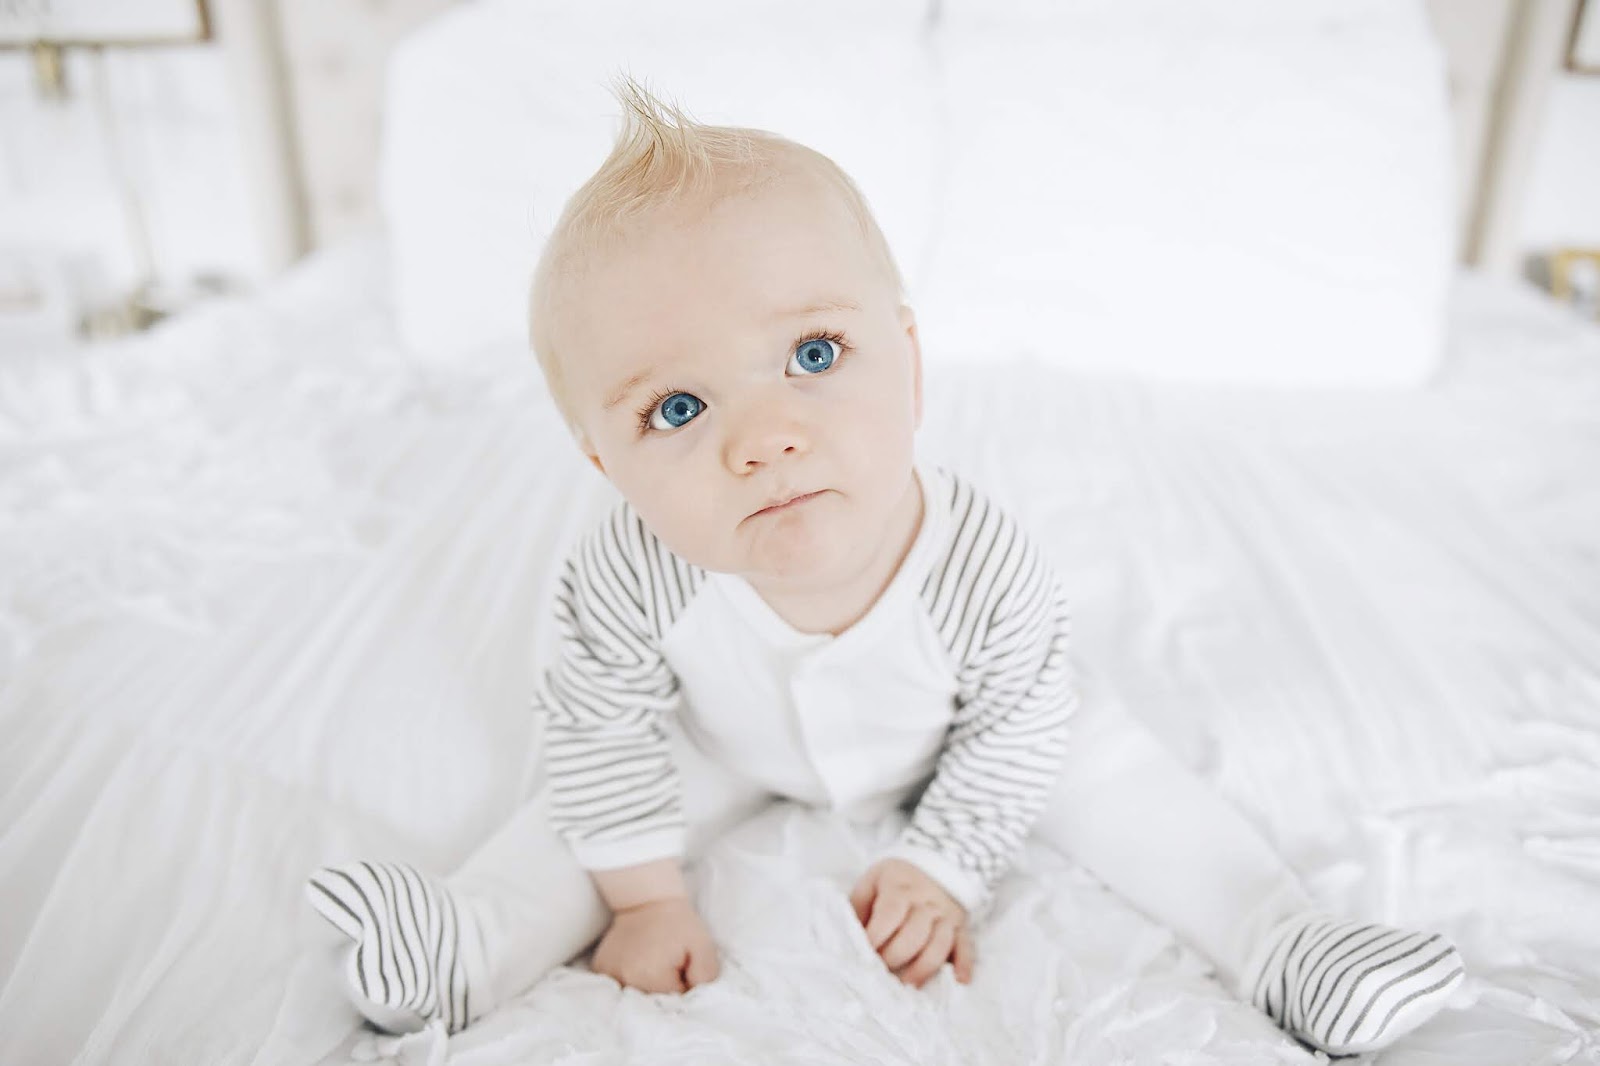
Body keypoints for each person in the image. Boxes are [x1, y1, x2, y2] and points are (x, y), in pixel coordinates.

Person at [305, 78, 1464, 1055]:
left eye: (813, 353)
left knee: (1119, 776)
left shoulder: (979, 563)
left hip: (966, 736)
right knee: (580, 810)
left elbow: (1014, 724)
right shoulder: (631, 571)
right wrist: (645, 896)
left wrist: (945, 862)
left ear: (909, 360)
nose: (764, 437)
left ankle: (1288, 944)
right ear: (604, 461)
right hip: (721, 739)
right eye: (678, 407)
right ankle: (463, 946)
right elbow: (598, 726)